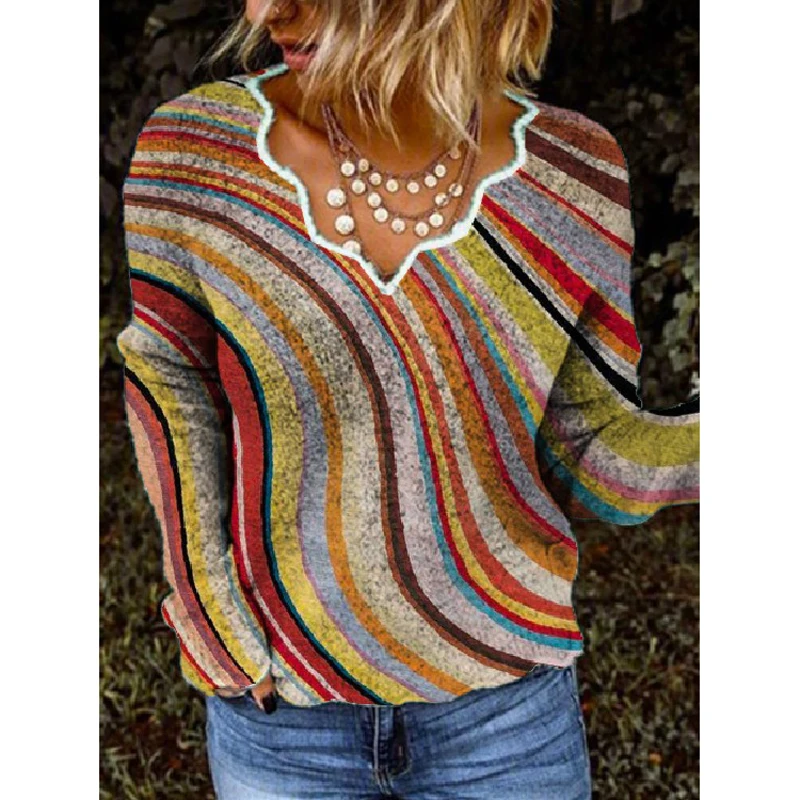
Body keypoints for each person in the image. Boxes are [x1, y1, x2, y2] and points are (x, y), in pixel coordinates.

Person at [115, 1, 699, 797]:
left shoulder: (573, 174)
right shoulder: (198, 152)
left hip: (506, 727)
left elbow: (588, 448)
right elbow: (169, 373)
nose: (266, 10)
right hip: (285, 729)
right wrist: (204, 599)